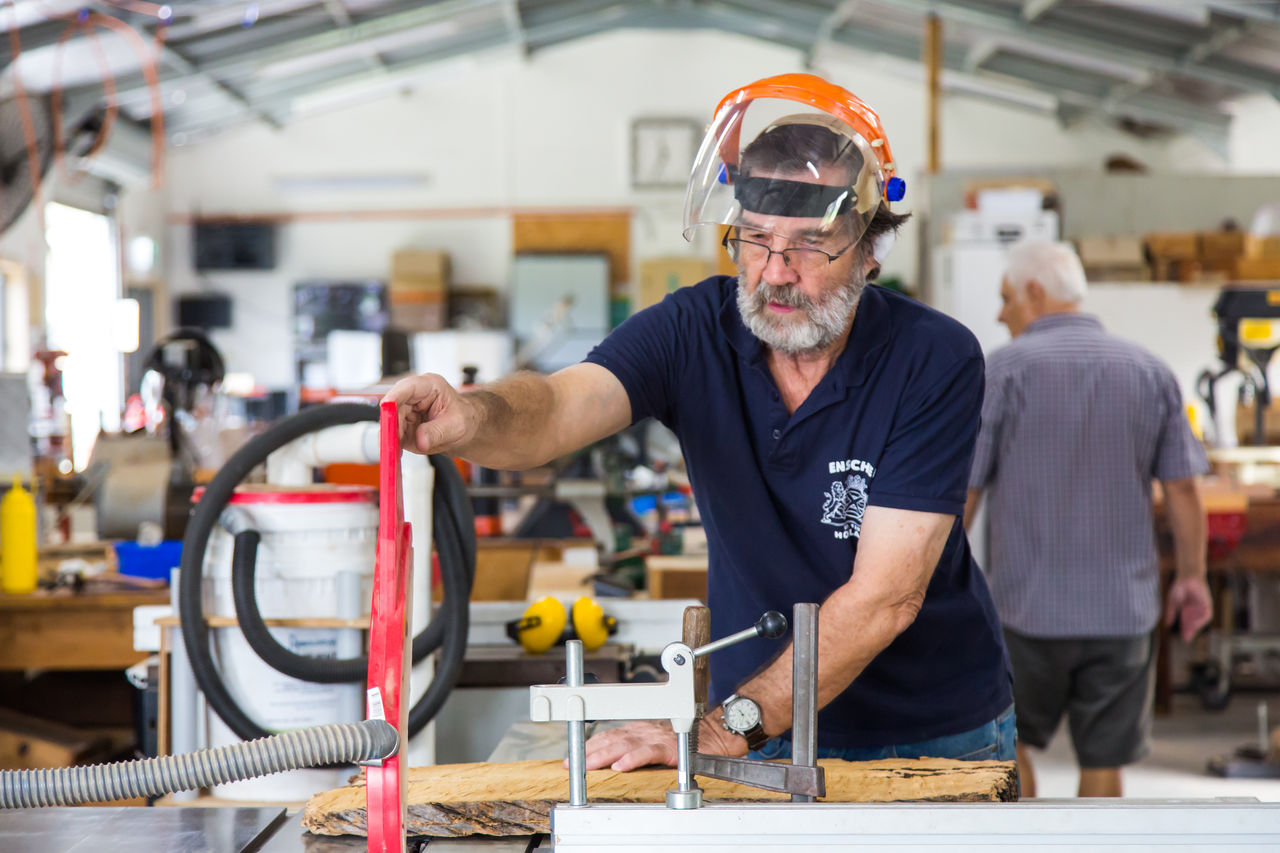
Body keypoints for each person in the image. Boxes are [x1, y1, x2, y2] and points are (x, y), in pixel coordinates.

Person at [387, 73, 1013, 770]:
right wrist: (470, 414)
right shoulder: (694, 329)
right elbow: (560, 406)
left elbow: (885, 597)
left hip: (926, 734)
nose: (776, 271)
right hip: (756, 722)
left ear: (871, 250)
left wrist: (723, 727)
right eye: (755, 238)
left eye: (810, 245)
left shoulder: (932, 357)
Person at [965, 240, 1212, 797]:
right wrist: (1192, 578)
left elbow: (963, 492)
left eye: (1006, 299)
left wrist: (935, 586)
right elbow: (1184, 490)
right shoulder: (1150, 370)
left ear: (1035, 293)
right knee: (1105, 762)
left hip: (1022, 612)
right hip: (1121, 615)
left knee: (1010, 746)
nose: (1002, 314)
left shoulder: (1001, 372)